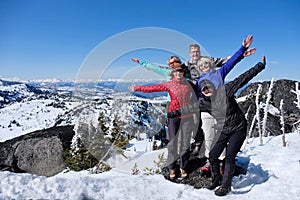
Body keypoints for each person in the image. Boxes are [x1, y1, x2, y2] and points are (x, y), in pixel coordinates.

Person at [198, 55, 266, 196]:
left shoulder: (225, 91)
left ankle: (226, 186)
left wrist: (260, 65)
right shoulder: (204, 102)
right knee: (213, 155)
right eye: (204, 89)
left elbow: (243, 78)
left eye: (208, 87)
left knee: (229, 156)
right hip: (225, 129)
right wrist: (172, 114)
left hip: (238, 128)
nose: (207, 90)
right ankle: (216, 179)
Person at [193, 35, 256, 173]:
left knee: (222, 136)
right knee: (209, 135)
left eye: (206, 63)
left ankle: (221, 161)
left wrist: (243, 48)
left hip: (222, 109)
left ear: (210, 64)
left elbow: (232, 62)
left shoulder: (219, 72)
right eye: (201, 65)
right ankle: (211, 160)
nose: (204, 66)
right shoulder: (199, 81)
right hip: (206, 110)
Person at [128, 62, 198, 180]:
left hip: (187, 117)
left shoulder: (189, 84)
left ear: (183, 73)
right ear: (173, 74)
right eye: (176, 72)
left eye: (180, 71)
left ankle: (183, 167)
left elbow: (199, 93)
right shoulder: (170, 84)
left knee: (185, 144)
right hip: (173, 117)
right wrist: (137, 88)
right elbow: (152, 88)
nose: (178, 73)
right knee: (172, 143)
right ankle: (172, 167)